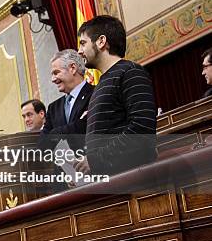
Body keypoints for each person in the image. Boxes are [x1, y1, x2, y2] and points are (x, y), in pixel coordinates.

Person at [76, 15, 157, 176]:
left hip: (134, 180)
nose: (79, 51)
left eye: (83, 43)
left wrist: (94, 161)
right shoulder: (102, 82)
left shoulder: (130, 72)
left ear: (101, 41)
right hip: (114, 180)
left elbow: (142, 128)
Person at [40, 49, 94, 150]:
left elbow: (86, 127)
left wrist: (55, 133)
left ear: (73, 68)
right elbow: (43, 143)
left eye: (56, 73)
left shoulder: (95, 94)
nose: (53, 79)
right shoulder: (53, 108)